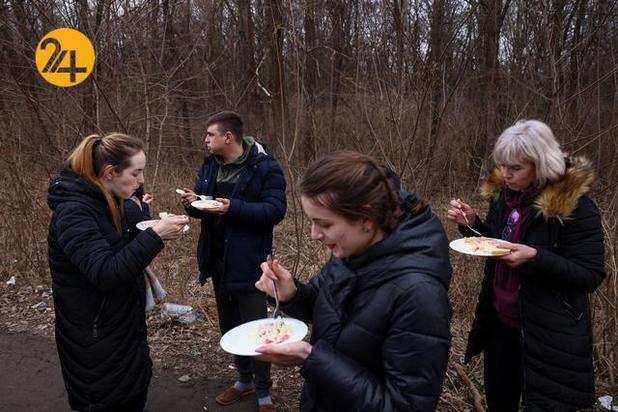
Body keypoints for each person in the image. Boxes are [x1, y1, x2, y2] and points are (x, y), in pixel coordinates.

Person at [254, 151, 452, 411]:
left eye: (323, 223)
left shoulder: (419, 296)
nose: (314, 234)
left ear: (366, 220)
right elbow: (328, 308)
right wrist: (291, 294)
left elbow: (406, 406)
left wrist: (312, 358)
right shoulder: (354, 249)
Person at [447, 120, 606, 411]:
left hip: (549, 334)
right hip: (500, 324)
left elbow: (590, 274)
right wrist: (472, 226)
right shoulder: (505, 197)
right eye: (502, 165)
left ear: (541, 165)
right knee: (500, 401)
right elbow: (497, 244)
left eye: (515, 168)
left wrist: (535, 257)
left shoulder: (575, 207)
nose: (505, 174)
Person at [48, 133, 189, 411]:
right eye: (135, 173)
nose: (140, 181)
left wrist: (159, 222)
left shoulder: (110, 198)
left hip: (123, 332)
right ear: (110, 172)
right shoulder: (73, 213)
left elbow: (130, 234)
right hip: (95, 342)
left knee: (132, 395)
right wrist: (156, 237)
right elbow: (106, 272)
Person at [180, 111, 286, 412]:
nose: (205, 140)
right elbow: (205, 207)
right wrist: (193, 203)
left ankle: (264, 391)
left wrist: (233, 208)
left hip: (251, 262)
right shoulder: (210, 164)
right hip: (217, 259)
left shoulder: (265, 167)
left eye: (210, 135)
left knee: (256, 328)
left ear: (228, 137)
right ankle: (244, 380)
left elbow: (275, 211)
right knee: (230, 326)